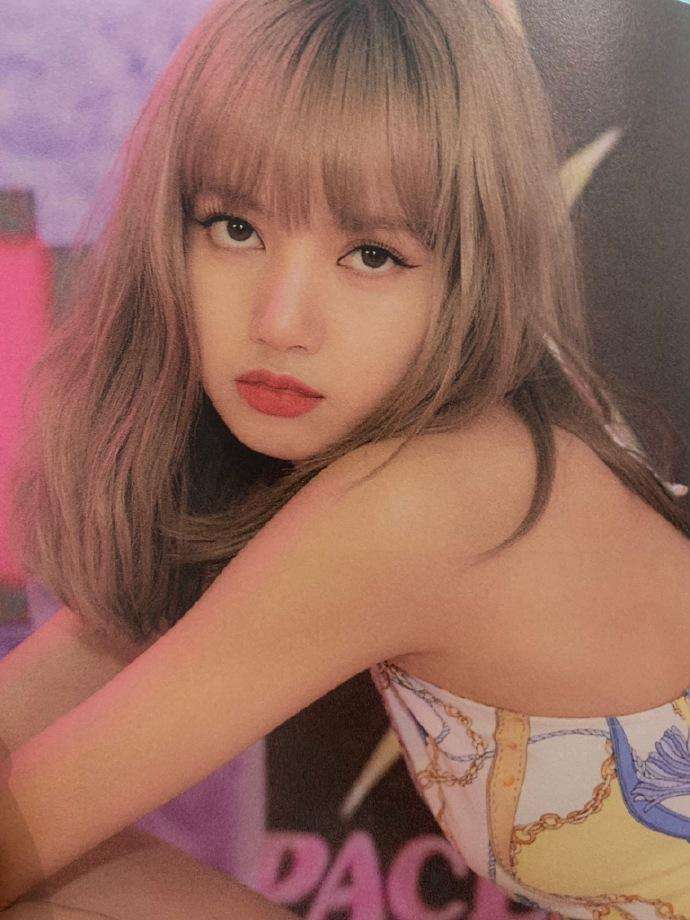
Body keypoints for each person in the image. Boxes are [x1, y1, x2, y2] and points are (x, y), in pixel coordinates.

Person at [1, 0, 689, 917]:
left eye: (371, 254)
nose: (281, 321)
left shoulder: (426, 497)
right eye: (234, 227)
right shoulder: (354, 447)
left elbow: (26, 828)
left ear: (471, 274)